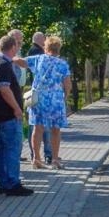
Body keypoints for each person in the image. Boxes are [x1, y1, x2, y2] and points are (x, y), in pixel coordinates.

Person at [0, 33, 33, 196]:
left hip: (0, 113)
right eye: (18, 46)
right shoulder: (3, 65)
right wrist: (16, 108)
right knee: (13, 148)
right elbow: (4, 89)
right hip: (7, 114)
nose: (18, 49)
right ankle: (12, 183)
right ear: (13, 47)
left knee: (3, 149)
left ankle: (3, 182)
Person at [27, 37, 73, 170]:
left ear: (45, 47)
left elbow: (20, 61)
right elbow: (67, 84)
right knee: (55, 130)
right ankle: (55, 159)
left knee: (38, 128)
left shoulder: (38, 59)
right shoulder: (62, 64)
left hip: (39, 99)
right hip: (56, 101)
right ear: (59, 48)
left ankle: (36, 159)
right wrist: (65, 97)